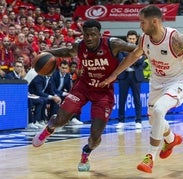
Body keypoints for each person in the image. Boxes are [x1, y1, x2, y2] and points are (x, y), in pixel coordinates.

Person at [99, 5, 183, 173]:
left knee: (159, 110)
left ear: (155, 22)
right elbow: (134, 55)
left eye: (142, 22)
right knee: (153, 120)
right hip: (157, 82)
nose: (140, 26)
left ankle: (150, 157)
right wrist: (114, 74)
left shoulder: (175, 39)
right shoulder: (144, 39)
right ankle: (171, 139)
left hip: (177, 81)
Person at [31, 19, 137, 172]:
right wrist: (47, 52)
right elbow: (66, 52)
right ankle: (49, 128)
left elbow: (136, 49)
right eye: (86, 35)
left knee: (95, 137)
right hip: (83, 87)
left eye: (93, 34)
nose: (89, 38)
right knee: (61, 120)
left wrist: (152, 51)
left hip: (104, 92)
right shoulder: (80, 46)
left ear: (99, 35)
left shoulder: (112, 44)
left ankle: (86, 152)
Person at [116, 30, 145, 129]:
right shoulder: (121, 49)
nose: (132, 40)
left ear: (136, 39)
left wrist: (129, 60)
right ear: (127, 38)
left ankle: (138, 120)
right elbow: (121, 60)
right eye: (130, 38)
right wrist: (134, 59)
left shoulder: (140, 49)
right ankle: (121, 120)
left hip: (135, 76)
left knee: (137, 99)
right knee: (122, 99)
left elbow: (141, 61)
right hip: (124, 76)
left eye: (133, 38)